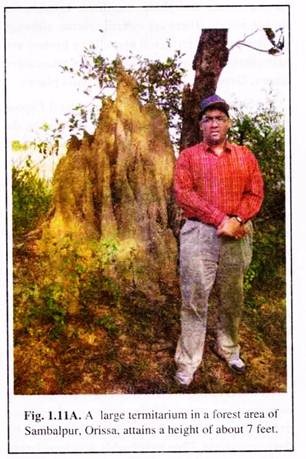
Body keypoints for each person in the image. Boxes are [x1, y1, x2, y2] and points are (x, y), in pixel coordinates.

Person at [174, 94, 264, 386]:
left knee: (233, 297)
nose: (214, 123)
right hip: (199, 233)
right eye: (208, 118)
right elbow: (184, 194)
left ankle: (228, 348)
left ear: (228, 123)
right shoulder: (188, 157)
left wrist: (237, 219)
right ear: (201, 125)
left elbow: (255, 193)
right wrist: (219, 219)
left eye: (219, 118)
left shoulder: (245, 155)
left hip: (237, 234)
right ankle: (188, 361)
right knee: (194, 298)